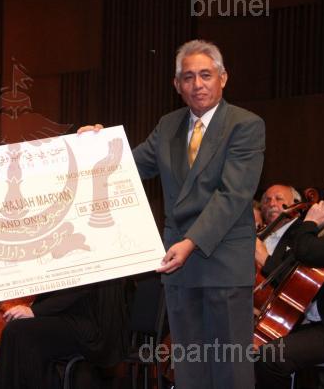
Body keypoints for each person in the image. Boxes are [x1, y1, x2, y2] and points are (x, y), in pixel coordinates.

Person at [80, 39, 265, 388]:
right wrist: (94, 144)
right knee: (190, 370)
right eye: (188, 77)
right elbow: (128, 166)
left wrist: (191, 242)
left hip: (222, 262)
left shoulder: (245, 125)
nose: (198, 85)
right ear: (177, 84)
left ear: (223, 78)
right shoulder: (168, 126)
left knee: (230, 369)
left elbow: (233, 195)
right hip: (178, 267)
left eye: (206, 75)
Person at [0, 279, 129, 389]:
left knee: (17, 331)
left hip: (90, 320)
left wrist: (35, 311)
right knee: (11, 332)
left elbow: (79, 286)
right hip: (64, 313)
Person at [255, 193, 324, 388]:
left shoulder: (312, 230)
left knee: (271, 356)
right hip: (320, 324)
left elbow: (305, 250)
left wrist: (311, 221)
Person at [255, 185, 301, 277]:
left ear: (295, 204)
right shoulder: (259, 233)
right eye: (267, 200)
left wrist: (263, 257)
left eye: (279, 199)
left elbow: (296, 279)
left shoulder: (303, 234)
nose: (271, 204)